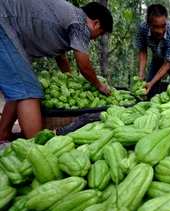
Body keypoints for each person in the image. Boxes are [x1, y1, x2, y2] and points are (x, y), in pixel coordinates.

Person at [0, 0, 113, 142]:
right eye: (100, 33)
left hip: (6, 20)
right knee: (29, 91)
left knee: (20, 87)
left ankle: (3, 135)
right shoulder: (80, 24)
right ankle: (37, 147)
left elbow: (60, 57)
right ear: (95, 23)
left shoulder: (67, 18)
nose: (96, 39)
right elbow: (83, 65)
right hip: (4, 21)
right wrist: (99, 85)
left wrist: (69, 79)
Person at [136, 4, 170, 97]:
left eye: (163, 26)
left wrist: (151, 83)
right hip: (158, 57)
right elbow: (142, 51)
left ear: (166, 21)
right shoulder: (143, 29)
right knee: (149, 90)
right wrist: (141, 74)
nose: (160, 31)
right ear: (148, 23)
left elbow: (167, 64)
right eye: (156, 26)